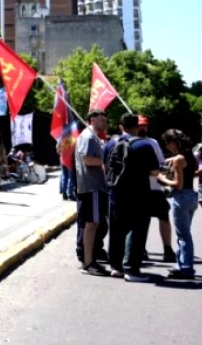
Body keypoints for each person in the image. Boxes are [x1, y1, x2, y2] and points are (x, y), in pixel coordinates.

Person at [106, 114, 159, 282]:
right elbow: (154, 172)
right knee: (136, 230)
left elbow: (105, 166)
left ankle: (116, 267)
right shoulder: (144, 145)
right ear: (138, 126)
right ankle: (132, 269)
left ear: (121, 126)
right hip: (138, 194)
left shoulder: (111, 143)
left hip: (115, 193)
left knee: (116, 229)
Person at [135, 116, 176, 263]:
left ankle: (167, 249)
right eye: (140, 126)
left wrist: (164, 179)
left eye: (145, 126)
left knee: (163, 216)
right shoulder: (128, 142)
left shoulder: (153, 142)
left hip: (154, 186)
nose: (143, 128)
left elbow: (160, 163)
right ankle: (140, 248)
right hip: (137, 187)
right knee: (140, 220)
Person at [157, 130, 198, 279]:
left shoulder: (178, 160)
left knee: (183, 235)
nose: (167, 147)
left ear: (173, 143)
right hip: (192, 196)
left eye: (168, 144)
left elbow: (177, 184)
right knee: (184, 232)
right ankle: (181, 264)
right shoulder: (190, 156)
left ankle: (186, 268)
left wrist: (162, 178)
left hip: (181, 197)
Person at [75, 111, 110, 276]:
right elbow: (88, 159)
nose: (104, 123)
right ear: (92, 119)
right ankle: (88, 263)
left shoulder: (93, 137)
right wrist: (107, 161)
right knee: (91, 224)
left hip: (94, 187)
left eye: (105, 120)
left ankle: (90, 259)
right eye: (102, 120)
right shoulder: (88, 137)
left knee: (93, 224)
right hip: (91, 187)